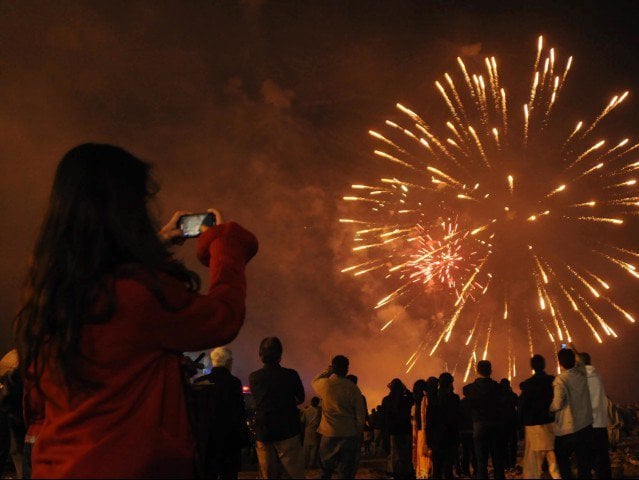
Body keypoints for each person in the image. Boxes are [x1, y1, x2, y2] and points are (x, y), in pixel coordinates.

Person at [13, 144, 258, 478]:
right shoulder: (136, 293)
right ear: (124, 211)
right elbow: (221, 318)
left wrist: (155, 244)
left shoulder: (47, 295)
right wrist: (226, 245)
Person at [249, 337, 305, 479]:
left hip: (264, 430)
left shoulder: (254, 377)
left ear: (260, 356)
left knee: (268, 473)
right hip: (288, 429)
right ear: (280, 356)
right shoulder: (291, 375)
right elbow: (300, 398)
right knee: (294, 472)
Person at [192, 347, 249, 479]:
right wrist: (243, 438)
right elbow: (239, 413)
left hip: (206, 439)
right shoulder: (234, 383)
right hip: (229, 441)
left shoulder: (200, 383)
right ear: (229, 362)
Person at [312, 355, 366, 480]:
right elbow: (360, 413)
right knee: (346, 471)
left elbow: (314, 381)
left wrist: (328, 371)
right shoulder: (353, 388)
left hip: (328, 433)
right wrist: (358, 431)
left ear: (333, 367)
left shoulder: (325, 384)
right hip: (349, 434)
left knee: (325, 471)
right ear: (346, 369)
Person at [550, 348, 593, 479]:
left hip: (568, 429)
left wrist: (548, 408)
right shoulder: (583, 374)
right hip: (586, 425)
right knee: (584, 463)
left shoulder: (560, 380)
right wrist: (574, 351)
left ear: (560, 363)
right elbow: (582, 361)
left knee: (562, 461)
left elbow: (557, 404)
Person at [519, 354, 560, 479]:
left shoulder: (528, 385)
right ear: (544, 365)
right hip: (552, 423)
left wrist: (521, 425)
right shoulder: (553, 382)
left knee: (533, 462)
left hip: (534, 426)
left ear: (532, 367)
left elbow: (522, 407)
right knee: (554, 459)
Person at [462, 360, 505, 480]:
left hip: (479, 426)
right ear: (490, 371)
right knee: (497, 459)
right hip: (496, 425)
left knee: (481, 460)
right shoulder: (498, 388)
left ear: (476, 371)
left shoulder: (469, 389)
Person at [577, 352, 612, 479]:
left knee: (586, 460)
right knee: (602, 460)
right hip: (601, 423)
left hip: (588, 424)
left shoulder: (582, 379)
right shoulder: (597, 376)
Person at [381, 378, 415, 479]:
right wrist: (406, 390)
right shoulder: (406, 400)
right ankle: (406, 472)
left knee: (395, 454)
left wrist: (385, 433)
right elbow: (412, 397)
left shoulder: (386, 400)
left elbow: (384, 418)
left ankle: (396, 473)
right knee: (406, 454)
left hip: (393, 431)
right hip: (406, 430)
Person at [430, 373, 459, 479]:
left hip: (436, 437)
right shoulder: (454, 398)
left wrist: (429, 439)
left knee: (437, 468)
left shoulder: (433, 398)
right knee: (448, 467)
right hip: (450, 436)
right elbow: (456, 418)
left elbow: (430, 419)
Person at [411, 379, 430, 479]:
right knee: (425, 455)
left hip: (417, 433)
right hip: (424, 431)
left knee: (419, 455)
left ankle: (421, 474)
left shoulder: (415, 404)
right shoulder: (426, 400)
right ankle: (425, 473)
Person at [499, 378, 519, 472]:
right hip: (512, 423)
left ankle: (505, 464)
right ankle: (512, 464)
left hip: (501, 423)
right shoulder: (512, 395)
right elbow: (519, 405)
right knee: (513, 445)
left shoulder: (498, 396)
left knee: (503, 445)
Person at [458, 394, 476, 478]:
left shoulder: (461, 403)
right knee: (474, 452)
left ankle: (465, 471)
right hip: (473, 430)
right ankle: (476, 470)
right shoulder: (474, 403)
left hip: (464, 431)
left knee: (465, 452)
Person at [301, 397, 322, 468]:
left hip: (308, 430)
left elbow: (302, 421)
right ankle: (312, 464)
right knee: (314, 448)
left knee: (306, 448)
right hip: (316, 431)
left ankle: (305, 463)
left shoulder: (306, 410)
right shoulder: (319, 411)